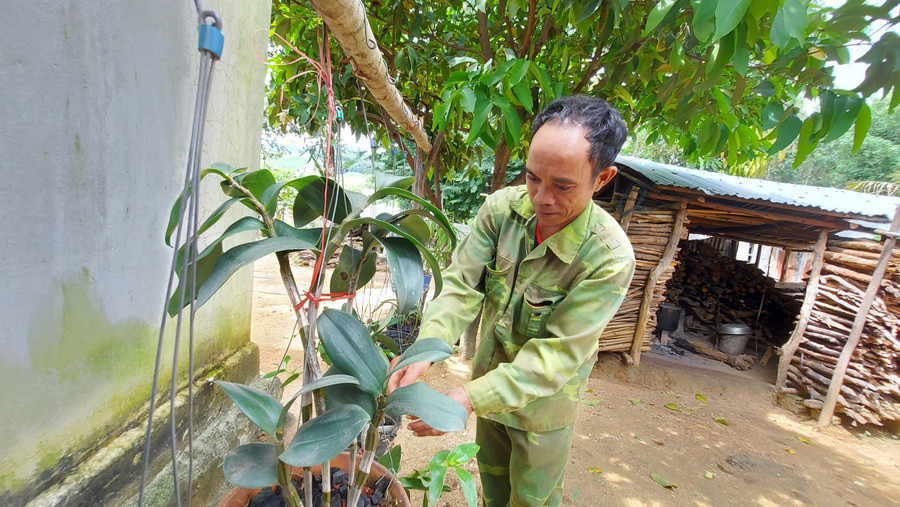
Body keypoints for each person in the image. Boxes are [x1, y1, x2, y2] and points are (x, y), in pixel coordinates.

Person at [388, 95, 636, 506]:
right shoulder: (501, 211)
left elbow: (555, 358)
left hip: (543, 411)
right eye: (533, 177)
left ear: (603, 178)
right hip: (489, 385)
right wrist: (425, 350)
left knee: (532, 500)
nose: (542, 197)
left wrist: (468, 398)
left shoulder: (608, 258)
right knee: (494, 489)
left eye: (562, 186)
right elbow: (461, 287)